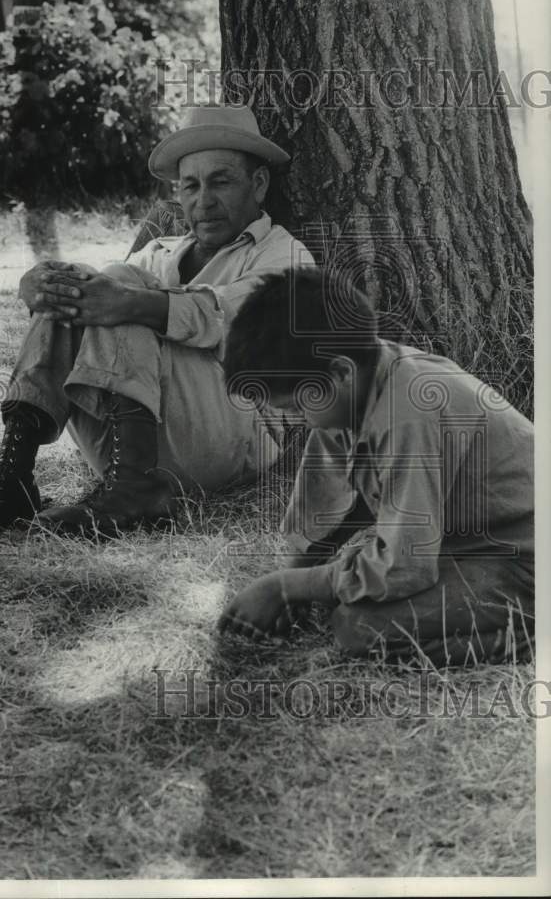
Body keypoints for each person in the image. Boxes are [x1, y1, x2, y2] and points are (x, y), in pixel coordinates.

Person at [0, 105, 315, 540]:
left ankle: (132, 490)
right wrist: (40, 287)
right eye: (190, 186)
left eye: (221, 181)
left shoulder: (285, 256)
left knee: (117, 289)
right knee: (83, 284)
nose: (203, 200)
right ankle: (14, 478)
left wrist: (125, 299)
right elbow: (96, 310)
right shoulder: (158, 252)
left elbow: (221, 318)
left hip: (232, 440)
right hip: (124, 446)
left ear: (258, 184)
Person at [218, 268, 534, 666]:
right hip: (473, 550)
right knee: (346, 606)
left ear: (340, 373)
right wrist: (293, 581)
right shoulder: (351, 386)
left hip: (525, 564)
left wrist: (285, 587)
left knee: (360, 628)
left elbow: (404, 568)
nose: (301, 420)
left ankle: (532, 636)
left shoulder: (409, 412)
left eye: (297, 406)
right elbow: (324, 510)